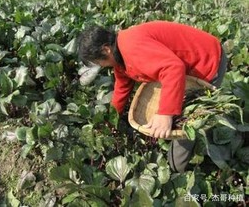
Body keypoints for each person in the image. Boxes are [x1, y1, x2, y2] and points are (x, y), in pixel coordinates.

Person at [77, 21, 228, 173]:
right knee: (175, 113)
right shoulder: (120, 51)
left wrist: (165, 114)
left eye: (98, 61)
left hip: (207, 60)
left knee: (186, 123)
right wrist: (111, 118)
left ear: (106, 49)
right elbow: (122, 85)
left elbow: (173, 68)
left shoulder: (133, 48)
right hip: (186, 63)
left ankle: (178, 171)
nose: (101, 66)